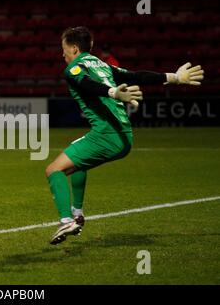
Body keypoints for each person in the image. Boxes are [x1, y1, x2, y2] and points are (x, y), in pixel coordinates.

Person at [46, 26, 203, 245]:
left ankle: (65, 220)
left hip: (106, 135)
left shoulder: (74, 68)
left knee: (54, 170)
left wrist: (111, 92)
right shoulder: (102, 64)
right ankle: (77, 213)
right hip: (123, 135)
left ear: (73, 48)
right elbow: (136, 75)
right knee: (76, 162)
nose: (62, 54)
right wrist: (174, 77)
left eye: (64, 49)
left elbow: (86, 84)